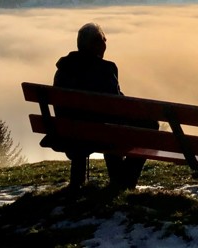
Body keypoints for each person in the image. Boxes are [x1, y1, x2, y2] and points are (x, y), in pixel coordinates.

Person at [52, 22, 155, 190]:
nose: (106, 44)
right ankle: (123, 182)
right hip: (99, 133)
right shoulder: (106, 69)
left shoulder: (63, 69)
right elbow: (117, 106)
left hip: (69, 132)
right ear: (97, 44)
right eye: (104, 40)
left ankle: (103, 182)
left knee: (107, 127)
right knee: (149, 126)